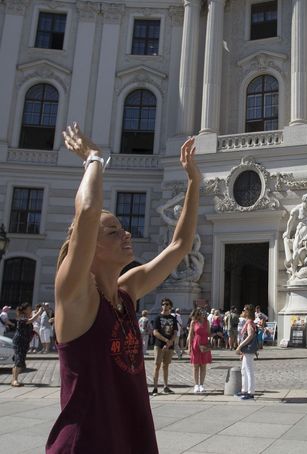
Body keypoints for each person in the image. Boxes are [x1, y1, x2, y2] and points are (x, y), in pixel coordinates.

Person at [47, 124, 200, 453]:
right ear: (90, 246)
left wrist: (194, 184)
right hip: (86, 444)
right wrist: (93, 159)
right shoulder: (75, 294)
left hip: (132, 439)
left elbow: (180, 245)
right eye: (114, 231)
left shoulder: (126, 292)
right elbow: (87, 211)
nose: (126, 234)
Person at [11, 302, 44, 386]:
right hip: (20, 341)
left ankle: (15, 379)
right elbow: (31, 320)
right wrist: (39, 312)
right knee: (18, 359)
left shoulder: (25, 317)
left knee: (20, 360)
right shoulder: (22, 317)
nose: (31, 310)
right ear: (25, 310)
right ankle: (14, 380)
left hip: (24, 341)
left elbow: (30, 326)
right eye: (29, 309)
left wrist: (35, 333)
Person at [151, 298, 178, 396]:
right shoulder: (158, 318)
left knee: (166, 366)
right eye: (163, 304)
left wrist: (170, 341)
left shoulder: (173, 318)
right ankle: (155, 388)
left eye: (167, 304)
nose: (165, 306)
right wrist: (166, 341)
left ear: (170, 306)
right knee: (157, 365)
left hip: (170, 345)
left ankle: (166, 386)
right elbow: (155, 332)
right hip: (159, 345)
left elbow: (175, 332)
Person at [235, 304, 258, 400]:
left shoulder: (249, 323)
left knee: (249, 371)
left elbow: (250, 335)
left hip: (248, 349)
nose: (243, 312)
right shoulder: (249, 322)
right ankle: (244, 390)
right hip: (247, 350)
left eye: (244, 310)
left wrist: (240, 346)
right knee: (244, 370)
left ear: (248, 312)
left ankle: (250, 392)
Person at [187, 308, 212, 393]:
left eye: (204, 313)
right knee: (195, 366)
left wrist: (215, 334)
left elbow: (209, 333)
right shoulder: (193, 322)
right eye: (201, 313)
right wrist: (189, 347)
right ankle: (196, 385)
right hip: (196, 344)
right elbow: (190, 335)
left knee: (203, 366)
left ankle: (201, 385)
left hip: (204, 344)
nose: (203, 314)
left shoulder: (207, 322)